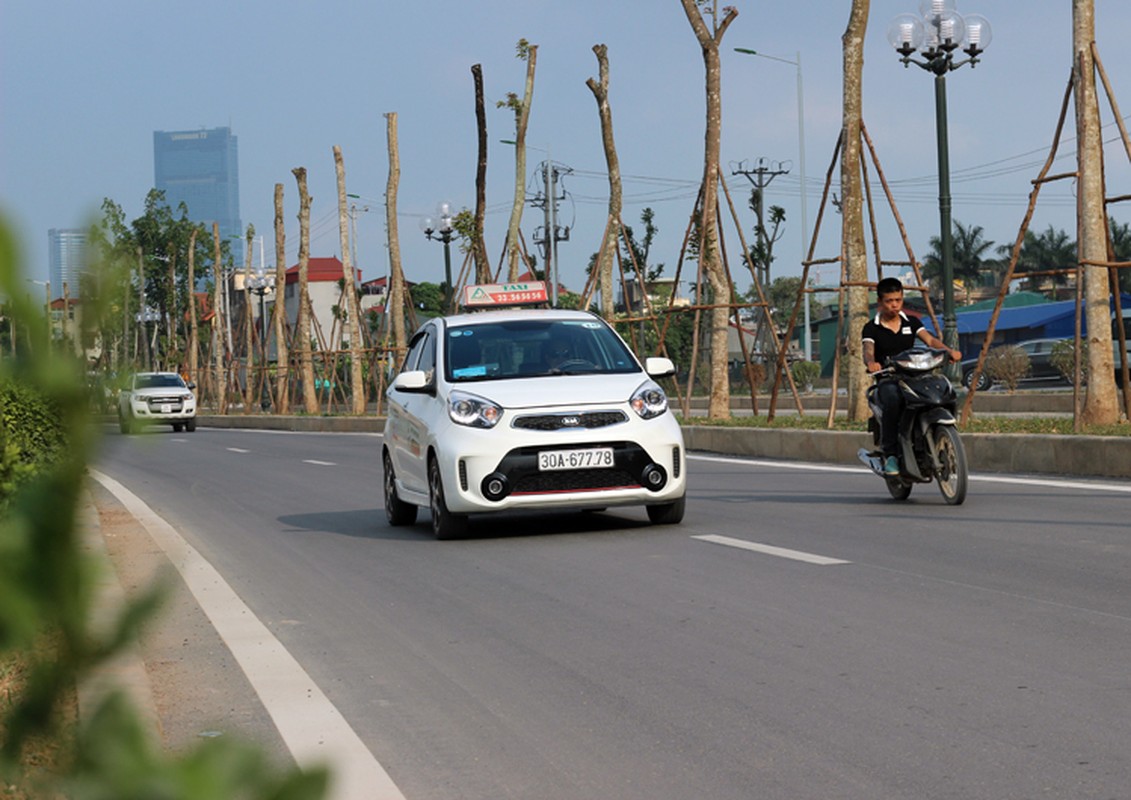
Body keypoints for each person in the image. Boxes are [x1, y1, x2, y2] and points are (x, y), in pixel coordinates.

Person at [861, 277, 962, 475]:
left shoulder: (912, 322)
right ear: (880, 302)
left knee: (942, 390)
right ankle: (890, 454)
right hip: (889, 379)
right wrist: (871, 363)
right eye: (889, 301)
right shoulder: (871, 327)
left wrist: (948, 351)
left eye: (898, 300)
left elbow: (931, 341)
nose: (894, 305)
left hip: (915, 376)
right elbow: (868, 349)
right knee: (893, 400)